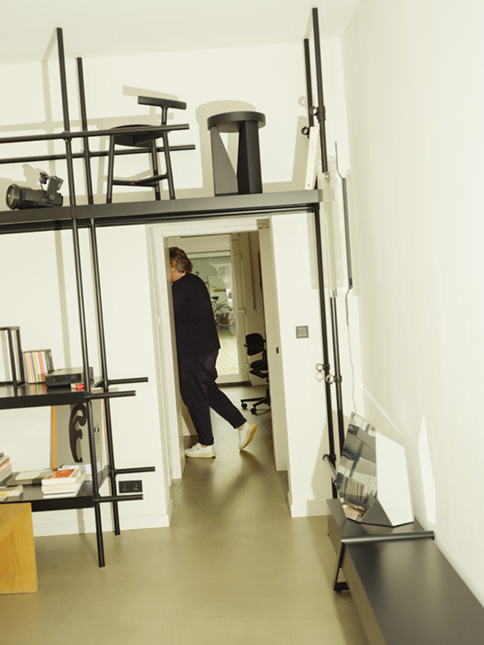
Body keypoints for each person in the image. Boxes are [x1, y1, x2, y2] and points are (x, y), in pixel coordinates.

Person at [169, 246, 257, 458]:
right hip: (206, 347)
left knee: (194, 395)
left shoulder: (181, 286)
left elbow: (165, 313)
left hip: (194, 351)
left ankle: (206, 444)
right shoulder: (195, 282)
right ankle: (242, 425)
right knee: (207, 390)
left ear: (173, 266)